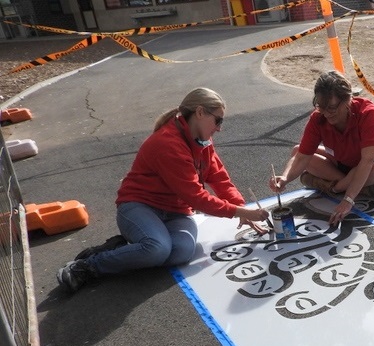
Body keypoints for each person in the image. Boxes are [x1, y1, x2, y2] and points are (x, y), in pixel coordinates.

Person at [56, 87, 269, 293]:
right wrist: (240, 212)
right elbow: (197, 198)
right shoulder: (168, 143)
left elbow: (218, 176)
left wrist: (241, 206)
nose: (219, 128)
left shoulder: (203, 140)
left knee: (181, 253)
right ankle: (89, 266)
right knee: (157, 249)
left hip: (176, 211)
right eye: (218, 120)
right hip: (139, 206)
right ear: (200, 112)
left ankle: (123, 250)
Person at [269, 70, 374, 226]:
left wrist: (348, 199)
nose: (326, 113)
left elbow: (367, 161)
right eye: (321, 106)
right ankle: (356, 185)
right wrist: (285, 178)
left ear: (348, 99)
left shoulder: (368, 113)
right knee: (296, 151)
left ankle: (336, 187)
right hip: (345, 163)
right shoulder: (318, 117)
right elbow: (302, 156)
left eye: (331, 108)